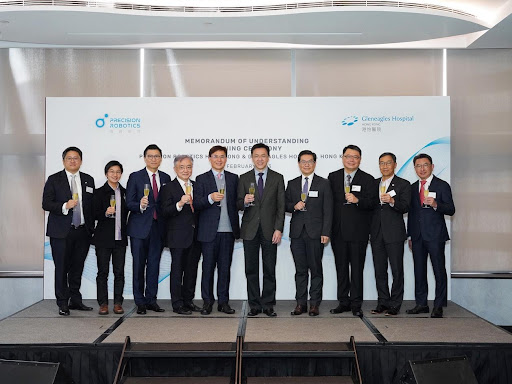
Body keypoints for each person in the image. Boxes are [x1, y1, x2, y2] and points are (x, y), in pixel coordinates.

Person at [42, 146, 95, 316]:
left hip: (82, 231)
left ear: (81, 160)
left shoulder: (88, 180)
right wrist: (65, 205)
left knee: (77, 267)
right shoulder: (54, 179)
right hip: (61, 232)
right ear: (64, 160)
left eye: (76, 158)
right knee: (61, 268)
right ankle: (62, 302)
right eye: (69, 158)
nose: (73, 161)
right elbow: (46, 203)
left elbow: (91, 206)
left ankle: (75, 300)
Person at [328, 144, 377, 317]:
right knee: (341, 268)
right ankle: (343, 301)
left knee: (357, 269)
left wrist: (358, 200)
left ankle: (356, 303)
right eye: (348, 156)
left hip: (358, 232)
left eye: (355, 157)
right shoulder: (332, 177)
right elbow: (329, 205)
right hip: (338, 232)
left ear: (360, 159)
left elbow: (373, 204)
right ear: (342, 158)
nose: (351, 159)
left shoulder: (368, 179)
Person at [237, 143, 285, 317]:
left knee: (269, 268)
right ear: (252, 158)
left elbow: (281, 206)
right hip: (250, 229)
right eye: (256, 155)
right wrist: (244, 201)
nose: (260, 159)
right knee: (251, 269)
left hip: (270, 230)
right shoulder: (243, 178)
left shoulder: (277, 178)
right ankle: (254, 305)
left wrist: (278, 228)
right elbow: (237, 203)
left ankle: (268, 304)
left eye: (263, 155)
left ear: (268, 157)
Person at [406, 153, 455, 318]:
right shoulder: (412, 188)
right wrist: (410, 236)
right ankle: (421, 304)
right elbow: (412, 214)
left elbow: (451, 209)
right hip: (417, 236)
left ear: (432, 166)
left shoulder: (442, 185)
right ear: (415, 169)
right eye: (418, 166)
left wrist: (436, 204)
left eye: (425, 165)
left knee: (438, 271)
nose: (422, 168)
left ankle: (438, 305)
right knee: (419, 271)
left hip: (435, 236)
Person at [285, 150, 333, 316]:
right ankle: (300, 304)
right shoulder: (291, 183)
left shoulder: (323, 183)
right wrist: (293, 206)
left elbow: (328, 210)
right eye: (303, 161)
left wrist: (326, 231)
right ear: (298, 164)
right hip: (297, 233)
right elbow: (284, 204)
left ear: (315, 163)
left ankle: (314, 304)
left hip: (316, 233)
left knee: (316, 269)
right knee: (300, 270)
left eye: (310, 161)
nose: (306, 164)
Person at [194, 146, 240, 315]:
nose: (219, 159)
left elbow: (237, 203)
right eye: (215, 156)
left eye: (222, 156)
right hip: (208, 232)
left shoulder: (234, 178)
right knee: (207, 268)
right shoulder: (201, 179)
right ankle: (207, 302)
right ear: (209, 158)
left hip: (228, 231)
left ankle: (223, 302)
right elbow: (197, 204)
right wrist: (209, 198)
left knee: (224, 268)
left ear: (226, 159)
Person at [126, 144, 171, 315]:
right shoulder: (135, 177)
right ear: (144, 158)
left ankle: (152, 299)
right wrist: (140, 205)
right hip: (139, 229)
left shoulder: (166, 177)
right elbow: (128, 202)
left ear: (161, 158)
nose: (154, 159)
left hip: (158, 228)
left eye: (157, 156)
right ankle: (140, 302)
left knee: (154, 265)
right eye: (150, 156)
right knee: (138, 266)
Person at [370, 153, 411, 316]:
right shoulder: (373, 184)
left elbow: (406, 206)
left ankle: (395, 304)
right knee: (379, 270)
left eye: (388, 163)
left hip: (394, 233)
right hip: (376, 233)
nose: (385, 166)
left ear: (395, 164)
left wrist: (393, 201)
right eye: (382, 163)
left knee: (396, 270)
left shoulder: (403, 184)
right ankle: (383, 302)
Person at [160, 155, 202, 315]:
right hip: (177, 236)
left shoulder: (197, 186)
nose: (186, 170)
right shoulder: (168, 187)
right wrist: (179, 203)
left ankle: (188, 301)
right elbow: (164, 211)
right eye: (182, 167)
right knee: (177, 271)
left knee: (191, 270)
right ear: (175, 169)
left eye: (189, 167)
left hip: (195, 236)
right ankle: (177, 304)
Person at [92, 160, 128, 315]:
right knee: (103, 272)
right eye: (112, 171)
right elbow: (92, 214)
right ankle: (103, 303)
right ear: (106, 173)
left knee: (119, 272)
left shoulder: (125, 192)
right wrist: (105, 213)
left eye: (118, 171)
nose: (115, 174)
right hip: (103, 239)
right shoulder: (99, 192)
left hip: (120, 238)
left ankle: (118, 303)